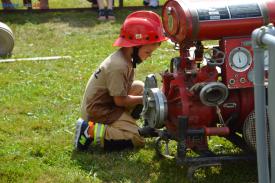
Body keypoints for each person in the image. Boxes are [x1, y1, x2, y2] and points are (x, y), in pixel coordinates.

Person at [74, 10, 168, 151]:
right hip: (98, 110)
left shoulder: (125, 58)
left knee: (139, 86)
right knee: (137, 138)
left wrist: (143, 96)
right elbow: (120, 101)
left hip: (106, 103)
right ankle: (90, 130)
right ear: (134, 47)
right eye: (148, 52)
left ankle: (124, 124)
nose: (149, 56)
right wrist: (146, 99)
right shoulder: (119, 66)